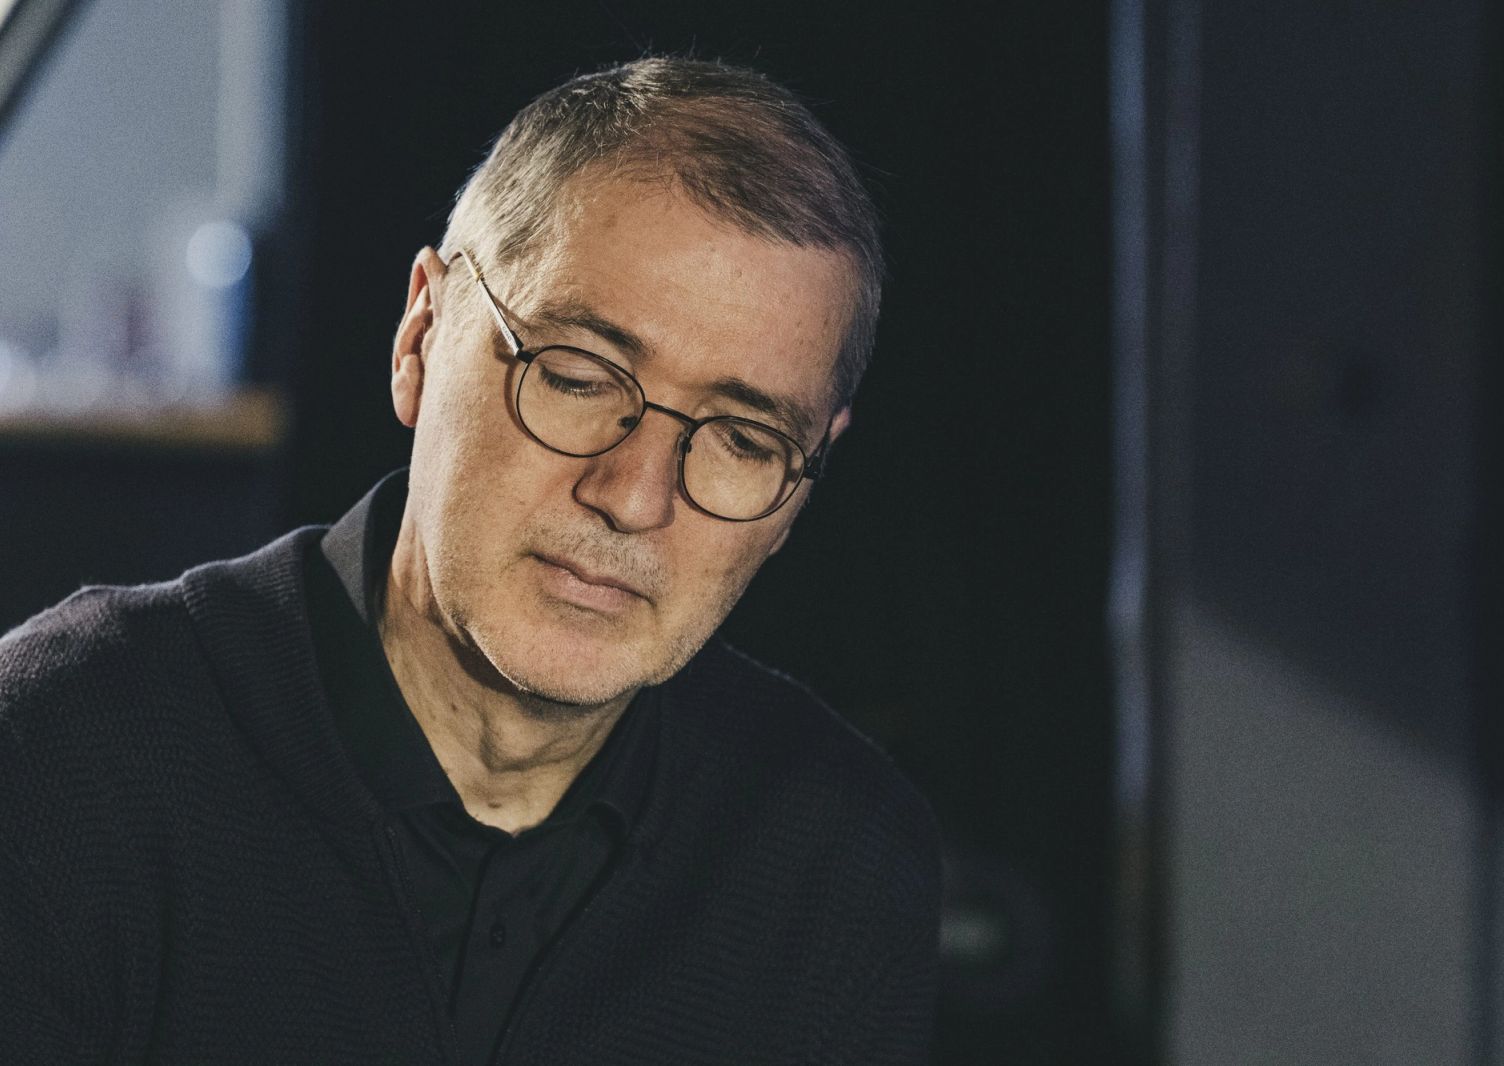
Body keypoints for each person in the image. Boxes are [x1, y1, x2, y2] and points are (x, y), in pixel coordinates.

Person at [0, 58, 941, 1064]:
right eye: (577, 377)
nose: (633, 497)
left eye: (742, 440)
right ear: (421, 336)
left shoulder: (840, 861)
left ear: (803, 482)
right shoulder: (59, 756)